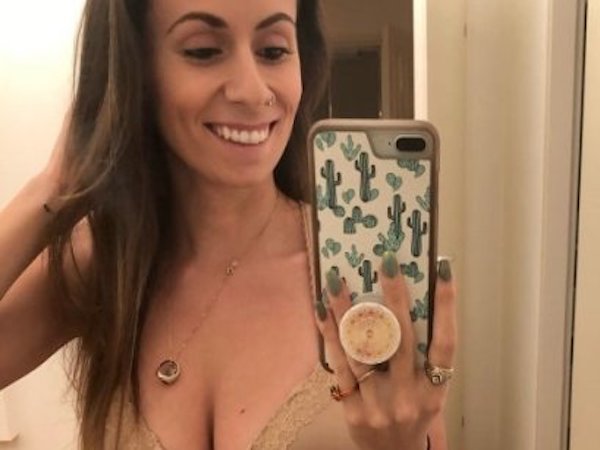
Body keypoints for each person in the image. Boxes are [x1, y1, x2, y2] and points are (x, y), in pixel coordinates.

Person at [0, 0, 457, 449]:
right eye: (203, 51)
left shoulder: (368, 277)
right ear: (137, 71)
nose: (253, 91)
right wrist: (51, 188)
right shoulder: (107, 263)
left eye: (274, 50)